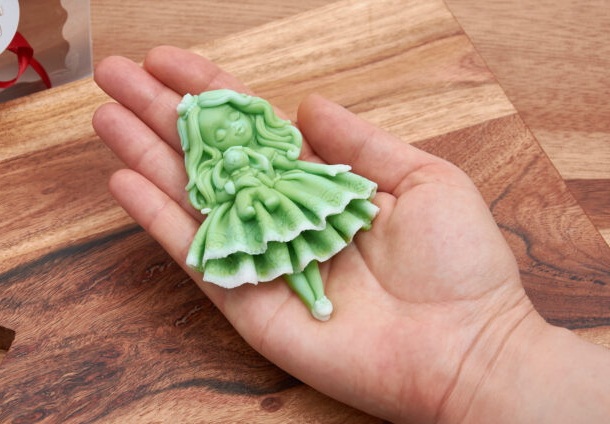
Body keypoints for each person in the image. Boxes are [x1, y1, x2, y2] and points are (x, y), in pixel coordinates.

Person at [91, 46, 610, 423]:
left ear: (251, 120)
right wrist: (233, 183)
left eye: (236, 125)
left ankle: (318, 296)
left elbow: (273, 161)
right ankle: (313, 298)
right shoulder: (218, 166)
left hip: (285, 195)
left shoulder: (264, 150)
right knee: (283, 256)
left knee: (302, 242)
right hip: (250, 210)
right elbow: (213, 191)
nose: (231, 136)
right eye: (218, 134)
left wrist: (494, 339)